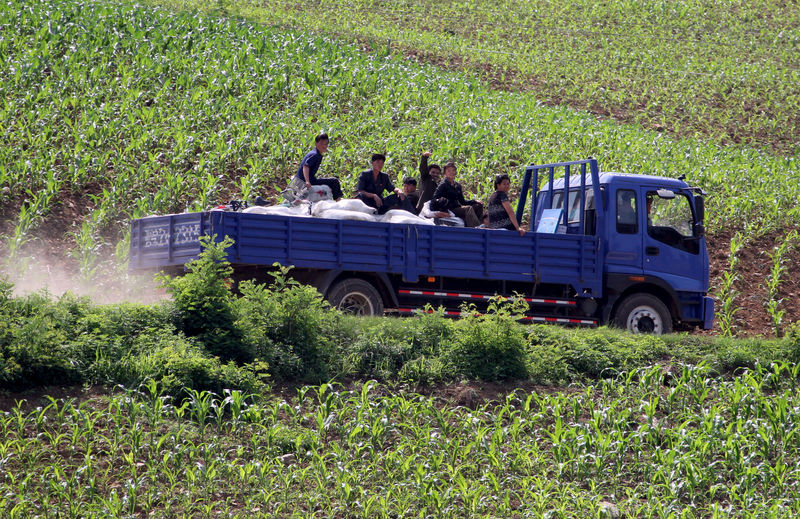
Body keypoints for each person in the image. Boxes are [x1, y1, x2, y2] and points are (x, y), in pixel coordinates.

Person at [290, 133, 343, 200]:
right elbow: (306, 166)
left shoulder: (315, 153)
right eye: (321, 144)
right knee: (334, 181)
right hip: (303, 181)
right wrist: (307, 181)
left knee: (331, 181)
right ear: (316, 143)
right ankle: (338, 200)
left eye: (326, 144)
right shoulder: (315, 155)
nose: (324, 146)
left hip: (306, 179)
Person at [431, 162, 484, 227]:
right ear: (445, 173)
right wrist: (438, 212)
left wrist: (475, 201)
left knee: (478, 205)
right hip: (449, 209)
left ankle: (479, 224)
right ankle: (476, 227)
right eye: (449, 171)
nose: (451, 172)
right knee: (468, 209)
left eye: (453, 170)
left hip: (457, 208)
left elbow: (463, 201)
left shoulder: (457, 185)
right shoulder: (443, 184)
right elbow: (434, 199)